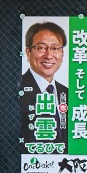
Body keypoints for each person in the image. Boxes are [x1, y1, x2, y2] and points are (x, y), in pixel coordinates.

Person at [20, 20, 69, 148]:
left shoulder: (69, 93)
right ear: (28, 52)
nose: (48, 55)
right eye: (41, 48)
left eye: (55, 48)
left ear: (62, 54)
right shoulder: (15, 88)